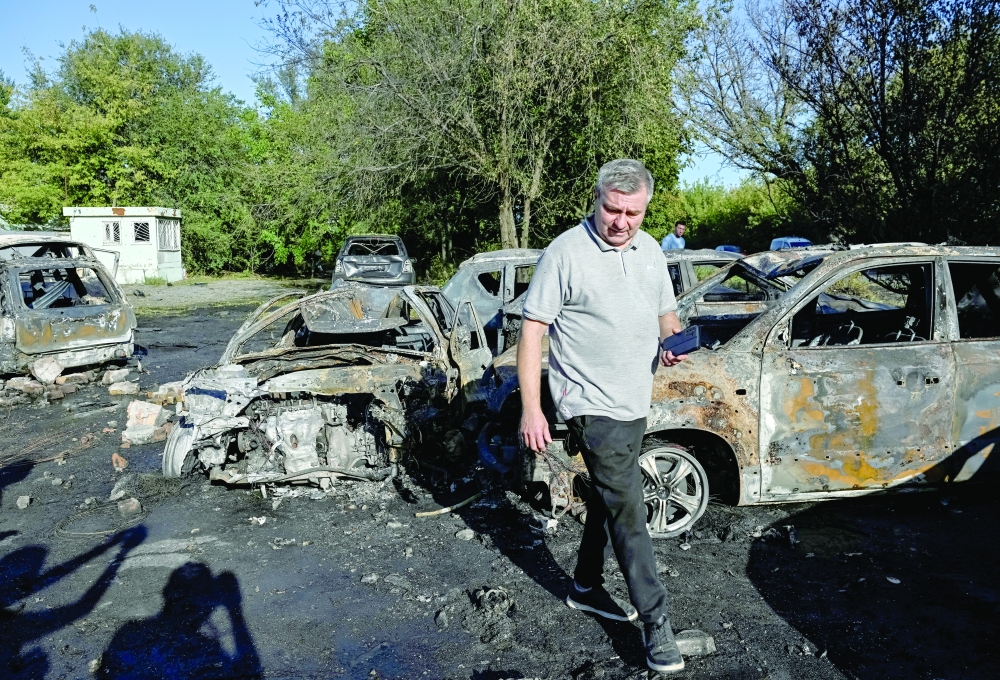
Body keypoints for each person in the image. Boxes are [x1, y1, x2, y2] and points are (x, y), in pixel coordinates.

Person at [518, 159, 688, 674]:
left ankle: (585, 585)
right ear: (596, 201)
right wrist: (531, 407)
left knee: (611, 495)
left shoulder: (652, 249)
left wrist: (671, 343)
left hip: (634, 398)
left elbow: (665, 314)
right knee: (630, 508)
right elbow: (532, 333)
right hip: (588, 404)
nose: (621, 222)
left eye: (632, 212)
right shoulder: (565, 253)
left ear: (646, 208)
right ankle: (656, 623)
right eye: (612, 209)